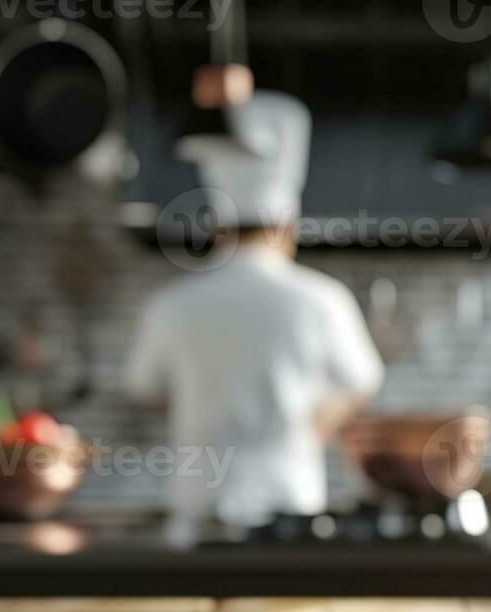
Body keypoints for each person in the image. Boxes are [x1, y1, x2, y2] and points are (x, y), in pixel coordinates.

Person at [127, 91, 384, 546]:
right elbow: (363, 382)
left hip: (196, 513)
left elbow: (143, 386)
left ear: (217, 228)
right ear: (289, 227)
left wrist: (198, 408)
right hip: (291, 508)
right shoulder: (322, 300)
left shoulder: (172, 304)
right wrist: (311, 428)